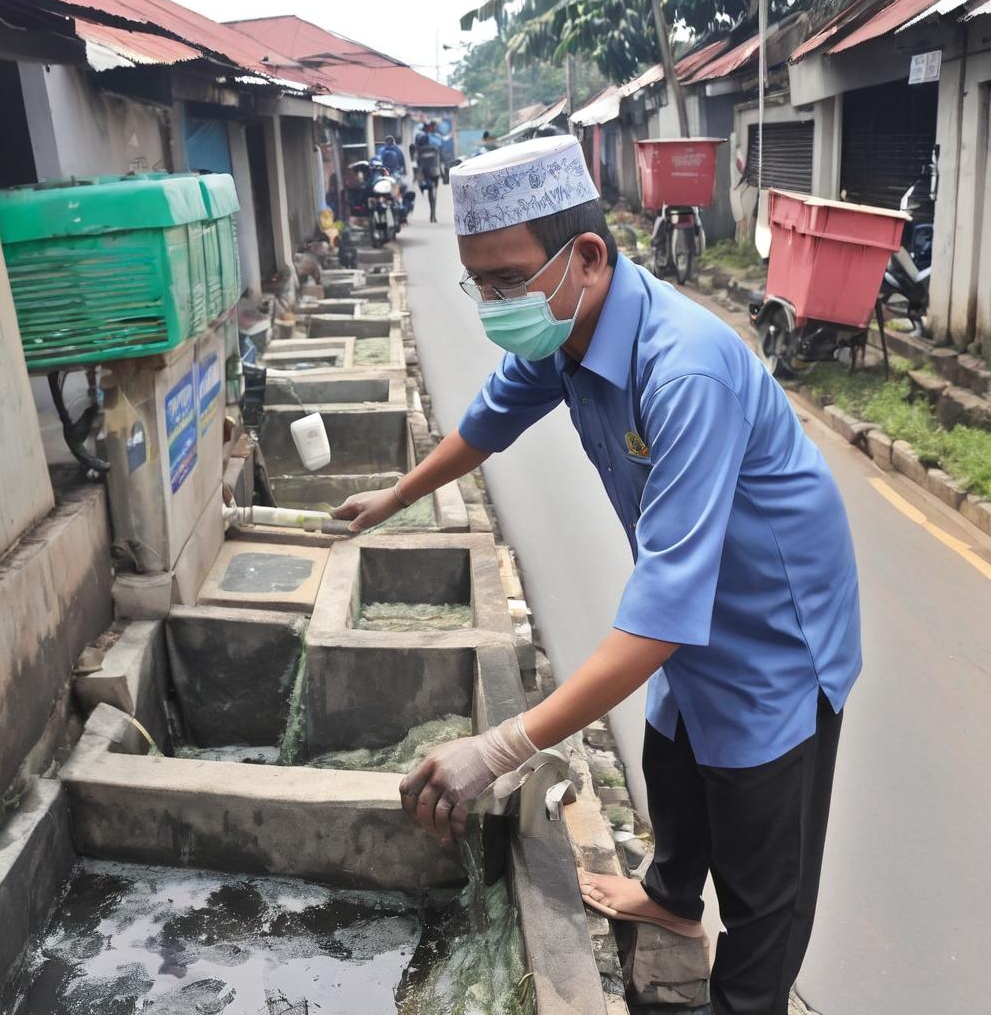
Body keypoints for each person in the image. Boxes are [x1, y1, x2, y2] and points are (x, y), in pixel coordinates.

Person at [332, 135, 861, 1015]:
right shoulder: (562, 326)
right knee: (676, 752)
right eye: (481, 284)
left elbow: (657, 623)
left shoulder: (682, 367)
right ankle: (669, 896)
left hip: (777, 627)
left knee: (765, 878)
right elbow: (488, 422)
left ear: (586, 256)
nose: (494, 305)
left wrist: (497, 751)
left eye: (507, 279)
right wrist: (394, 496)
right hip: (687, 588)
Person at [413, 122, 443, 223]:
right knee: (433, 192)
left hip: (426, 170)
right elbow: (441, 156)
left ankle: (432, 214)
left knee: (431, 192)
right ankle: (433, 214)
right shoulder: (437, 139)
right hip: (435, 170)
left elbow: (417, 158)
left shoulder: (420, 138)